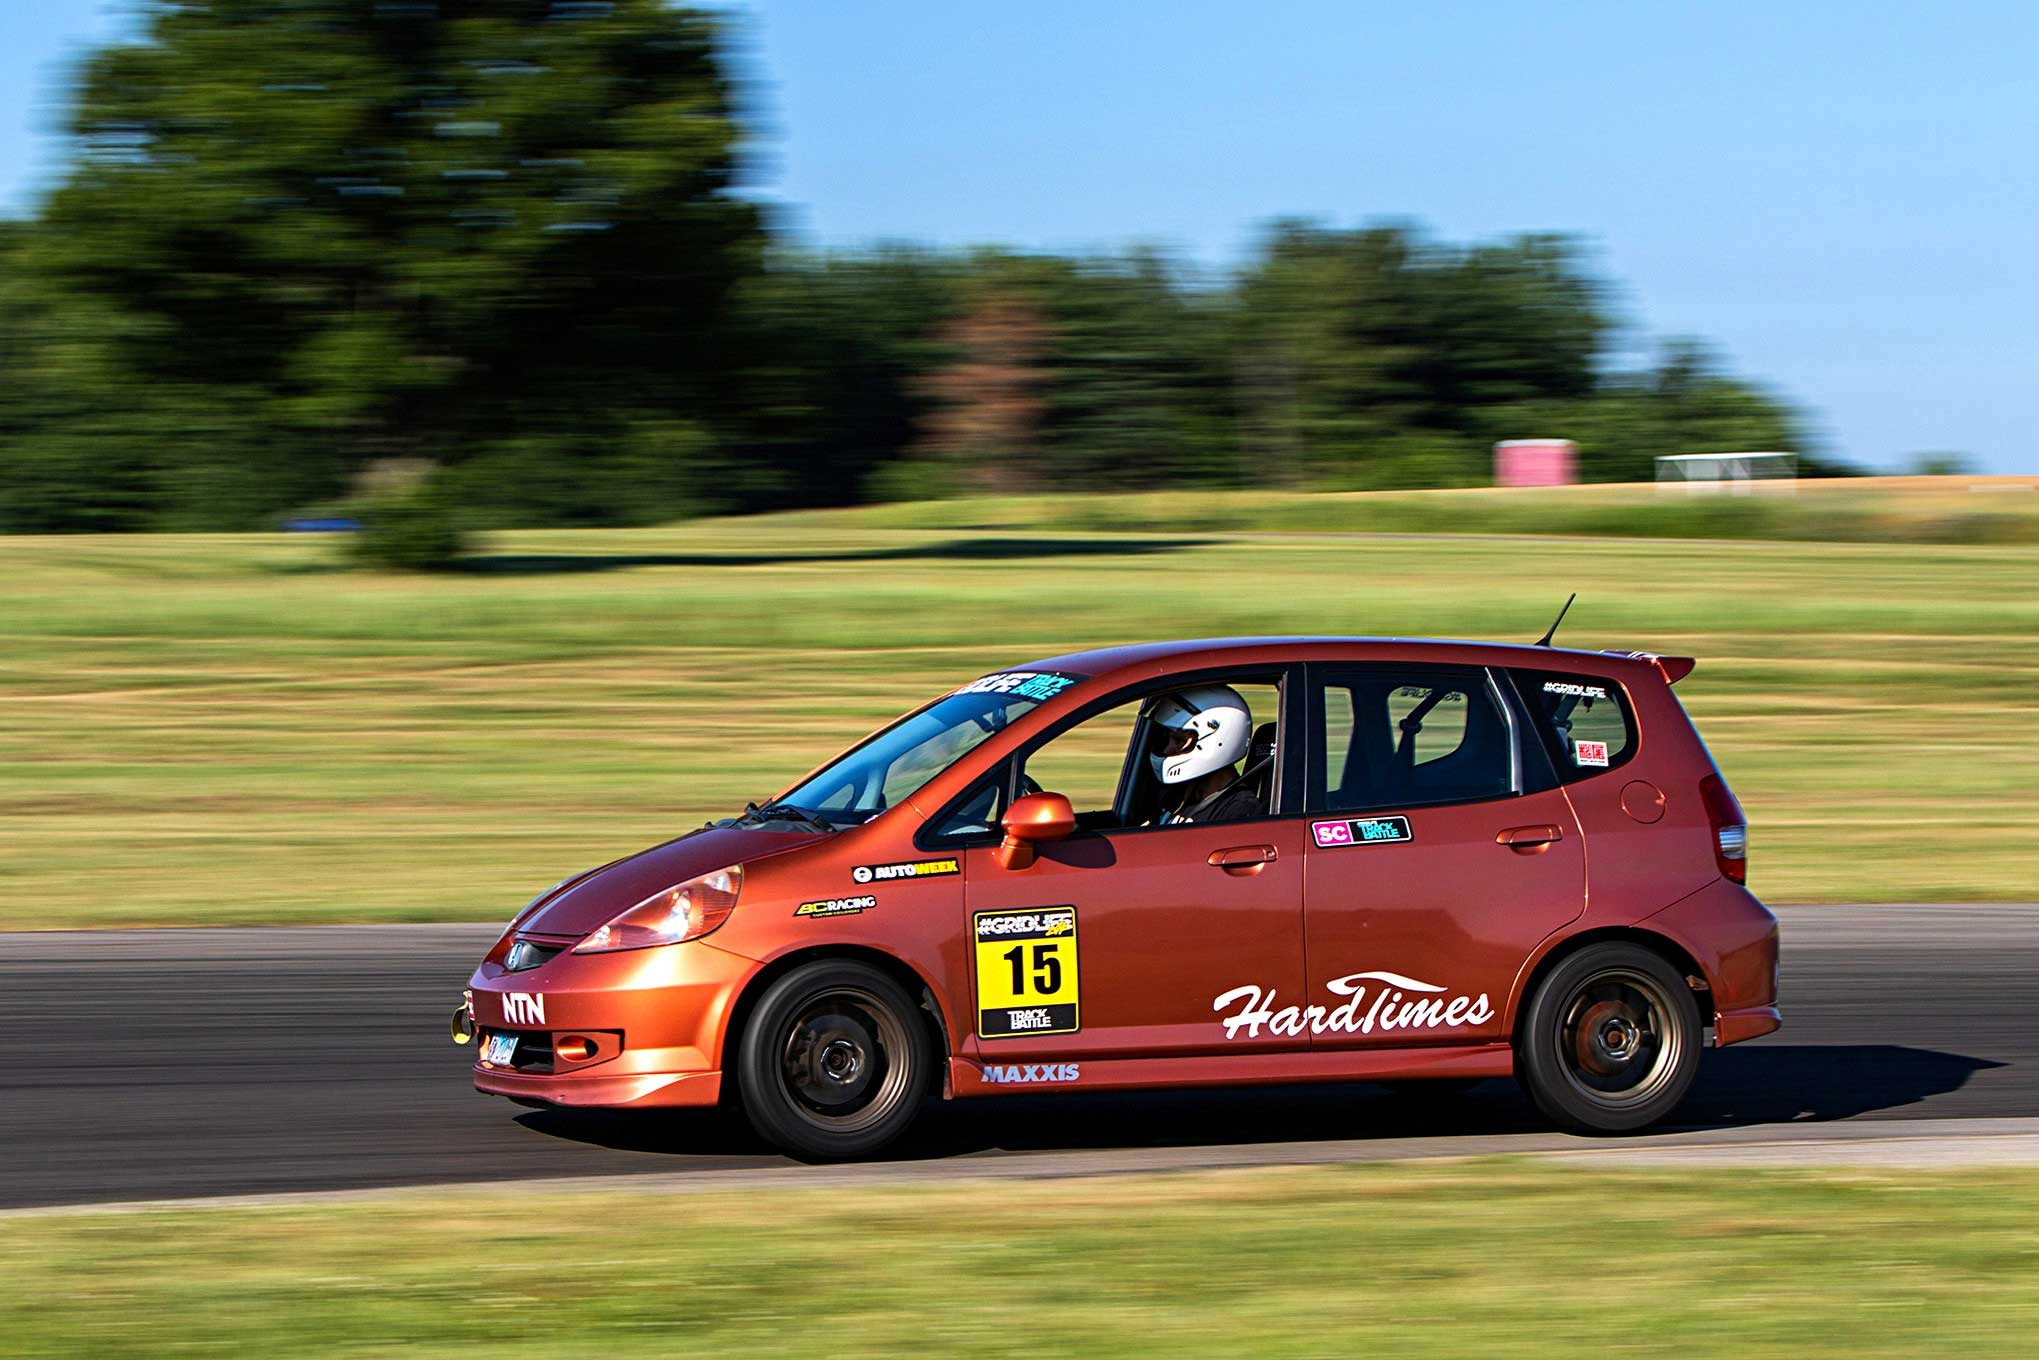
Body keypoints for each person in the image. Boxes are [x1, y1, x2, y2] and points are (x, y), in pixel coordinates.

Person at [1144, 685, 1266, 824]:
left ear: (1217, 740)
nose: (1168, 750)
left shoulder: (1239, 814)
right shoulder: (1177, 795)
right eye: (1167, 739)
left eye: (1179, 740)